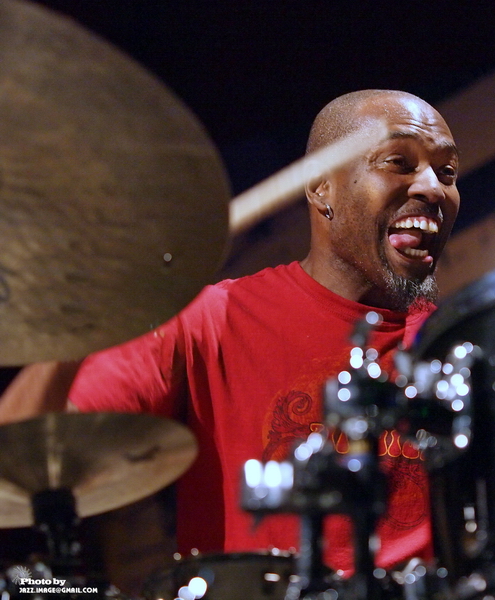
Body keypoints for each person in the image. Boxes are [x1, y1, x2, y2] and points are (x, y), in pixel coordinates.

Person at [0, 89, 461, 576]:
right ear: (322, 186)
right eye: (399, 162)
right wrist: (86, 315)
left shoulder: (455, 348)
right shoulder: (209, 319)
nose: (433, 188)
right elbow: (18, 457)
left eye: (447, 172)